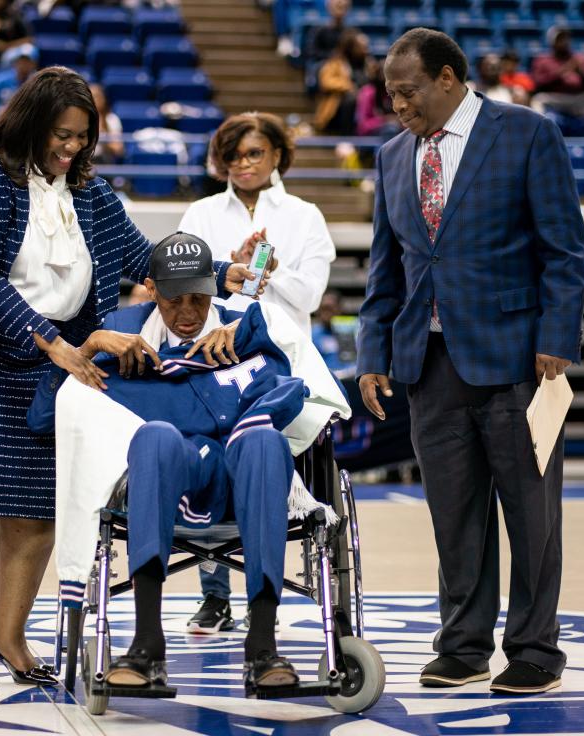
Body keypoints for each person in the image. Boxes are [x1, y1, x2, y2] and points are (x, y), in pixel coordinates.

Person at [0, 66, 258, 698]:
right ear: (32, 124)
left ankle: (8, 636)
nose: (70, 149)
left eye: (81, 138)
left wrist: (222, 270)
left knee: (40, 498)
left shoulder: (92, 196)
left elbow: (143, 258)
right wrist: (56, 344)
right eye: (60, 136)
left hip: (57, 356)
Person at [357, 28, 584, 695]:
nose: (397, 105)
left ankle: (536, 650)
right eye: (390, 94)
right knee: (454, 516)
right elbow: (388, 267)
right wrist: (375, 352)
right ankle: (461, 645)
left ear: (450, 79)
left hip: (519, 360)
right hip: (428, 364)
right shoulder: (393, 155)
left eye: (407, 92)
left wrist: (557, 335)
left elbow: (565, 250)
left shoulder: (525, 134)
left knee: (532, 516)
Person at [26, 232, 350, 690]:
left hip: (247, 472)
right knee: (155, 436)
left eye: (199, 299)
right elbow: (44, 419)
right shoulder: (121, 331)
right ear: (151, 289)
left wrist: (254, 330)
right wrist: (86, 347)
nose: (187, 314)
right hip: (167, 475)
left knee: (264, 442)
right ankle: (146, 645)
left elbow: (303, 388)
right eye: (174, 300)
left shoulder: (249, 325)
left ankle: (262, 648)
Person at [177, 111, 335, 633]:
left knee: (264, 457)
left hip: (281, 357)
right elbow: (185, 285)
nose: (243, 164)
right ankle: (214, 595)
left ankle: (261, 592)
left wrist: (268, 268)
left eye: (255, 153)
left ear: (277, 157)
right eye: (233, 155)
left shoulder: (304, 215)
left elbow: (309, 295)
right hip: (212, 352)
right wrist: (229, 269)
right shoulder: (200, 212)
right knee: (210, 455)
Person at [530, 26, 584, 134]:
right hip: (559, 99)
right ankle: (540, 132)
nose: (563, 42)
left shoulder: (581, 58)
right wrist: (562, 71)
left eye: (565, 39)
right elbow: (538, 84)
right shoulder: (543, 60)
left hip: (583, 98)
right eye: (559, 39)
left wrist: (581, 72)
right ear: (552, 42)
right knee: (538, 99)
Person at [314, 29, 370, 135]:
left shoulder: (368, 63)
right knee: (351, 98)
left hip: (364, 102)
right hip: (338, 108)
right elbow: (326, 82)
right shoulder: (336, 63)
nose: (365, 50)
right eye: (361, 47)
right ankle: (346, 135)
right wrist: (349, 86)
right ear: (351, 47)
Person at [0, 42, 38, 114]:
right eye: (21, 60)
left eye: (27, 61)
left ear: (34, 64)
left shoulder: (37, 83)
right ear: (16, 62)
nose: (23, 64)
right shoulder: (0, 80)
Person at [89, 82, 123, 164]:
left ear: (103, 99)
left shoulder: (112, 119)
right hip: (84, 162)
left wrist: (103, 136)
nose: (94, 100)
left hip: (104, 161)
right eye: (90, 97)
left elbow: (119, 149)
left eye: (97, 97)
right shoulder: (79, 119)